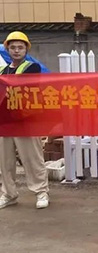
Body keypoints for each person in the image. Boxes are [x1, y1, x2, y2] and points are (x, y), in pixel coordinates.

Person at [0, 31, 49, 210]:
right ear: (7, 50)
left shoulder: (32, 67)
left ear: (26, 49)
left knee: (32, 159)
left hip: (25, 121)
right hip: (5, 122)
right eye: (13, 47)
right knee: (5, 162)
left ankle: (41, 192)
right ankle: (8, 194)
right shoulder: (3, 71)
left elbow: (23, 86)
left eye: (20, 47)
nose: (16, 50)